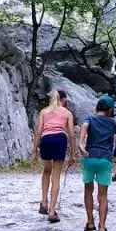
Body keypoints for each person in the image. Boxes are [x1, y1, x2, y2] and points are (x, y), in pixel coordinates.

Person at [78, 94, 116, 231]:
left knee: (88, 190)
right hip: (105, 161)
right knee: (103, 195)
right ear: (110, 109)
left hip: (89, 158)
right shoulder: (111, 123)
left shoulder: (90, 119)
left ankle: (90, 221)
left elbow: (84, 126)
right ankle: (102, 226)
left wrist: (81, 143)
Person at [31, 88, 75, 223]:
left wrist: (34, 151)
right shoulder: (67, 113)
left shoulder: (44, 112)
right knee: (56, 176)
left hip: (46, 140)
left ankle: (44, 202)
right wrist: (73, 154)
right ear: (64, 100)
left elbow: (38, 131)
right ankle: (52, 211)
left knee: (46, 171)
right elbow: (72, 135)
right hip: (59, 140)